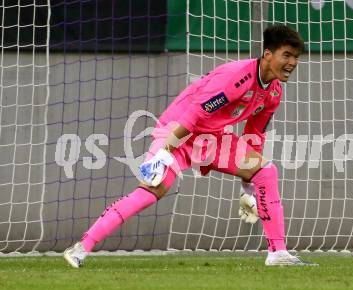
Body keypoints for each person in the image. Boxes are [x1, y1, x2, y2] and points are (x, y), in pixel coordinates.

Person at [64, 25, 318, 267]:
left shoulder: (273, 92)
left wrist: (247, 186)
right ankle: (81, 247)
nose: (292, 63)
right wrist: (166, 150)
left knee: (265, 171)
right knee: (151, 191)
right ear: (267, 54)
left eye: (295, 57)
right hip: (179, 131)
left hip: (211, 138)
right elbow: (195, 113)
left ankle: (278, 253)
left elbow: (254, 135)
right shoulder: (238, 77)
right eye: (287, 55)